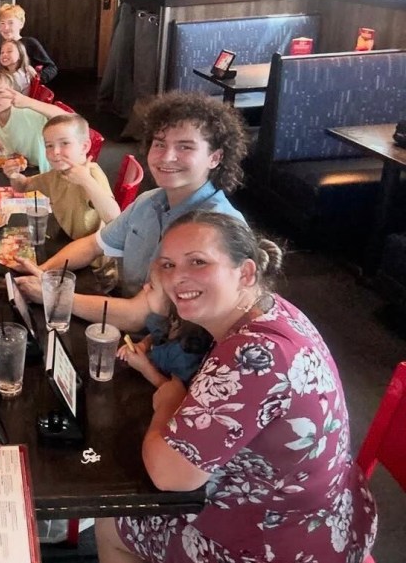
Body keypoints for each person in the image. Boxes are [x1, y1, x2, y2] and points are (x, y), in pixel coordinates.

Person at [96, 212, 377, 563]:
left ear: (245, 273)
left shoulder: (253, 355)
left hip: (282, 544)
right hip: (325, 515)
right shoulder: (273, 311)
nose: (176, 277)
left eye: (198, 262)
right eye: (167, 265)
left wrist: (166, 406)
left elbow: (170, 475)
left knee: (110, 521)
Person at [15, 91, 248, 333]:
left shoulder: (215, 227)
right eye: (159, 144)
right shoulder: (149, 201)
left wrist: (54, 295)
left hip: (170, 346)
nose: (167, 157)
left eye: (185, 147)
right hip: (128, 319)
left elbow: (139, 316)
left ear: (215, 157)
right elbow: (93, 245)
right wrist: (43, 271)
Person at [9, 114, 119, 240]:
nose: (55, 151)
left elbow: (114, 218)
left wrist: (87, 181)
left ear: (84, 147)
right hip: (66, 239)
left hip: (91, 254)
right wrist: (13, 174)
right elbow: (23, 186)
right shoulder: (56, 174)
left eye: (65, 143)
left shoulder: (91, 173)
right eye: (49, 145)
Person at [0, 69, 68, 171]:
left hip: (50, 170)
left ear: (15, 93)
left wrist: (28, 102)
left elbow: (66, 117)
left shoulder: (25, 112)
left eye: (0, 92)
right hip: (29, 169)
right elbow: (16, 153)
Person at [0, 3, 58, 83]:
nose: (6, 28)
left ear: (21, 24)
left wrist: (37, 77)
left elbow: (52, 68)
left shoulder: (30, 43)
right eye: (2, 23)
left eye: (10, 23)